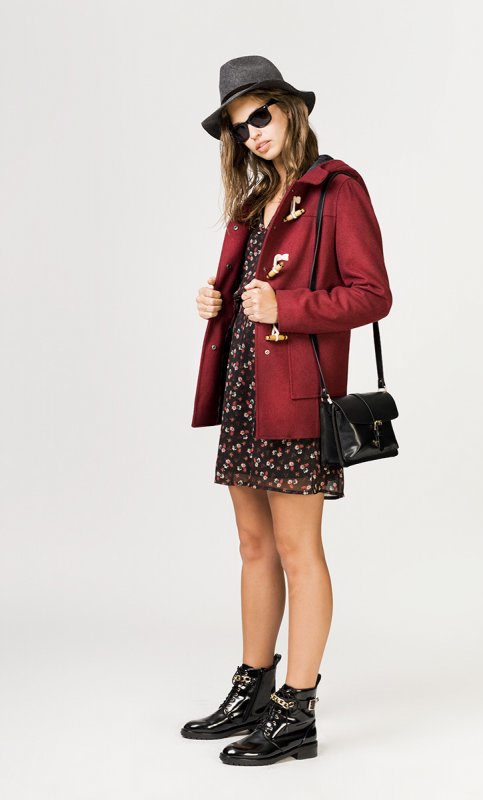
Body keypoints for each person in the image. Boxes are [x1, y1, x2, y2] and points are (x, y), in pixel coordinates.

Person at [183, 56, 393, 766]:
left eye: (259, 116)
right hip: (245, 394)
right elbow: (251, 294)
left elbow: (372, 294)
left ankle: (296, 711)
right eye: (238, 129)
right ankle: (253, 686)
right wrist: (217, 302)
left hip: (298, 398)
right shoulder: (253, 201)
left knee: (300, 550)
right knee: (253, 545)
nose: (252, 135)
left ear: (288, 107)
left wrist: (287, 306)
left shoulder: (336, 188)